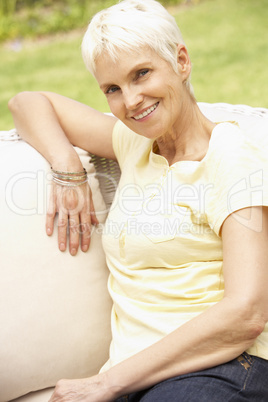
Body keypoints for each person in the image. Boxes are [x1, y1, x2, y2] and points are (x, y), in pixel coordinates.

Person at [8, 0, 268, 400]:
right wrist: (68, 168)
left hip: (225, 367)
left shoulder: (232, 159)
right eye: (112, 88)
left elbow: (247, 312)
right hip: (137, 376)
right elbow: (27, 101)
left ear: (181, 61)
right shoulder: (133, 144)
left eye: (141, 74)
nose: (130, 101)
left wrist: (105, 383)